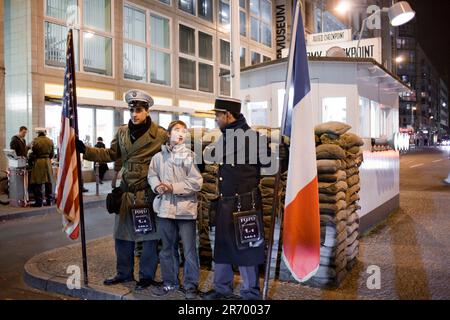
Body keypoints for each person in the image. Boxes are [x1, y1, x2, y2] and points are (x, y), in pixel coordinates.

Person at [76, 89, 167, 291]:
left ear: (147, 111)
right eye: (132, 109)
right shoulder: (122, 132)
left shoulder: (160, 135)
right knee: (122, 235)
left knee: (149, 237)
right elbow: (111, 153)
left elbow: (170, 159)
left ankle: (146, 276)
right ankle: (124, 273)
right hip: (125, 192)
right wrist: (85, 150)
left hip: (146, 192)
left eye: (139, 110)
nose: (135, 114)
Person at [201, 97, 271, 300]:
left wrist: (279, 155)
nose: (216, 119)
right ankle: (222, 288)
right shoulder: (226, 136)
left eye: (217, 115)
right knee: (222, 245)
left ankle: (250, 293)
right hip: (225, 200)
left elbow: (268, 163)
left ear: (228, 115)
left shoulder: (252, 137)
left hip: (245, 202)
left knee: (247, 248)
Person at [147, 120, 203, 300]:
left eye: (184, 131)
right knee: (167, 249)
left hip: (185, 210)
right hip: (165, 209)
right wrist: (157, 187)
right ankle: (169, 282)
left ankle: (190, 285)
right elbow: (152, 175)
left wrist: (172, 187)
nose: (181, 133)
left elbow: (196, 182)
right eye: (177, 130)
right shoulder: (158, 157)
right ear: (169, 134)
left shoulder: (190, 156)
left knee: (188, 250)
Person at [29, 128, 54, 207]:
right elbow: (52, 155)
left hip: (38, 163)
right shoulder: (50, 141)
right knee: (48, 182)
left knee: (37, 183)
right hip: (47, 162)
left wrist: (30, 161)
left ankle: (39, 202)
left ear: (38, 133)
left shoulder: (35, 141)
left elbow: (33, 153)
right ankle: (49, 201)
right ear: (45, 133)